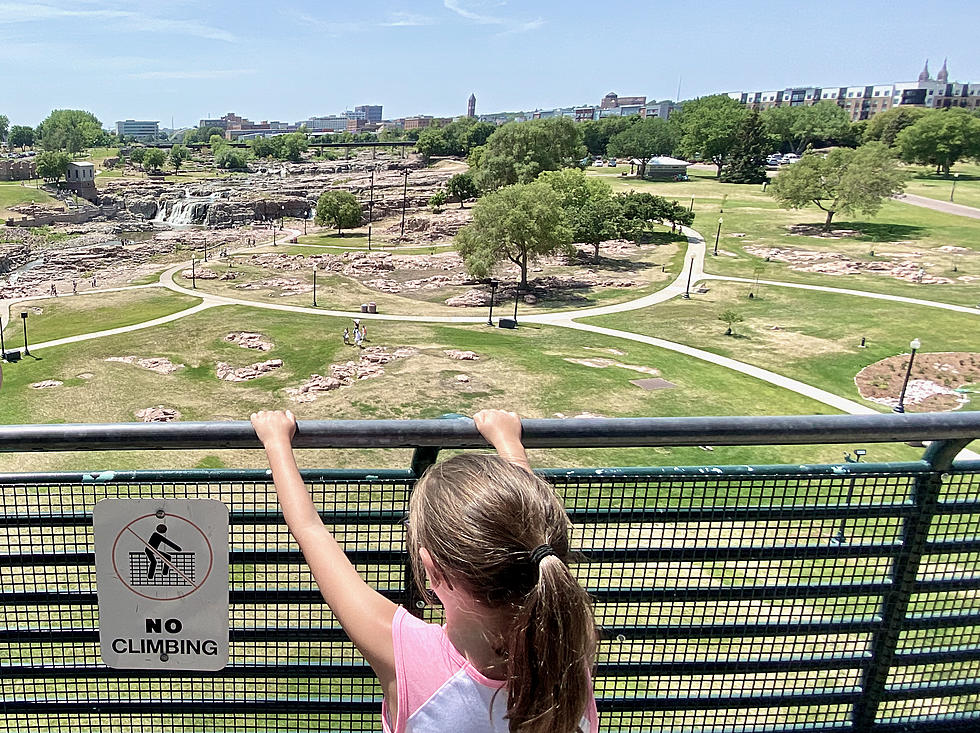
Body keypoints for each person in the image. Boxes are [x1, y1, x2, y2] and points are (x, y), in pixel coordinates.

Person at [250, 409, 598, 733]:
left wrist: (275, 441)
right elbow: (527, 533)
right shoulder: (569, 649)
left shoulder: (405, 654)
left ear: (433, 570)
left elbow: (311, 530)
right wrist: (509, 443)